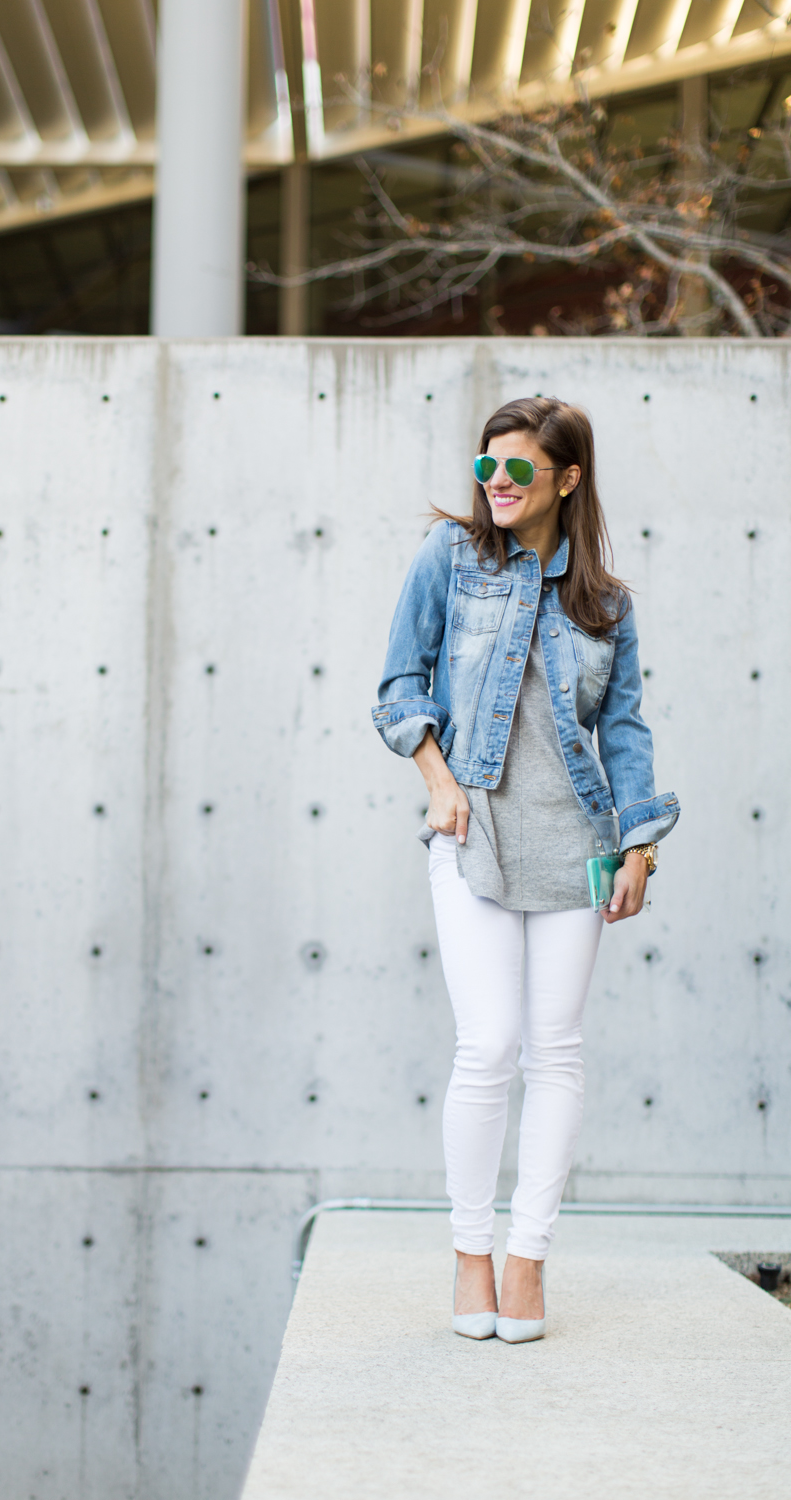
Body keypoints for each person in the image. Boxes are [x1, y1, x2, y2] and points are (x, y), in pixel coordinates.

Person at [371, 397, 679, 1344]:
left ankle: (528, 1258)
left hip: (577, 844)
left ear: (567, 479)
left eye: (517, 471)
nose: (496, 485)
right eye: (485, 468)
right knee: (490, 1043)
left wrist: (639, 842)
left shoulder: (606, 603)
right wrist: (436, 777)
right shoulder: (451, 561)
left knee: (556, 1051)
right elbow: (398, 685)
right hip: (475, 832)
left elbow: (621, 730)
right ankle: (471, 1250)